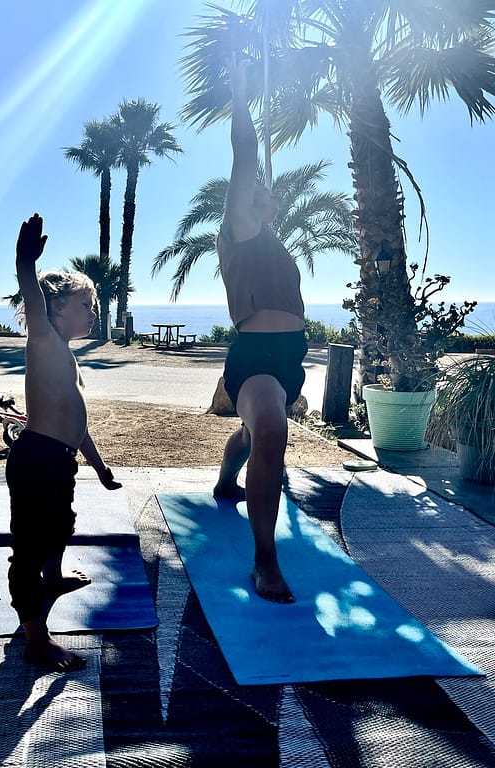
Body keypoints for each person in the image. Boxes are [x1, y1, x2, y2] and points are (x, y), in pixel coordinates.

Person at [9, 212, 122, 670]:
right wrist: (25, 263)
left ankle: (53, 577)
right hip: (35, 459)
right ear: (56, 309)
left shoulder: (67, 356)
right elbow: (32, 299)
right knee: (29, 548)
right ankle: (36, 638)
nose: (93, 313)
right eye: (85, 305)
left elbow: (79, 424)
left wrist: (99, 465)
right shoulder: (43, 340)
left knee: (61, 525)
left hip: (59, 459)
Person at [212, 57, 307, 604]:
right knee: (271, 432)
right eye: (255, 189)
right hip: (254, 356)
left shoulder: (272, 241)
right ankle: (265, 561)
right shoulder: (239, 228)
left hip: (289, 357)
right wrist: (241, 93)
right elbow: (245, 153)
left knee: (254, 435)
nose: (263, 191)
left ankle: (228, 479)